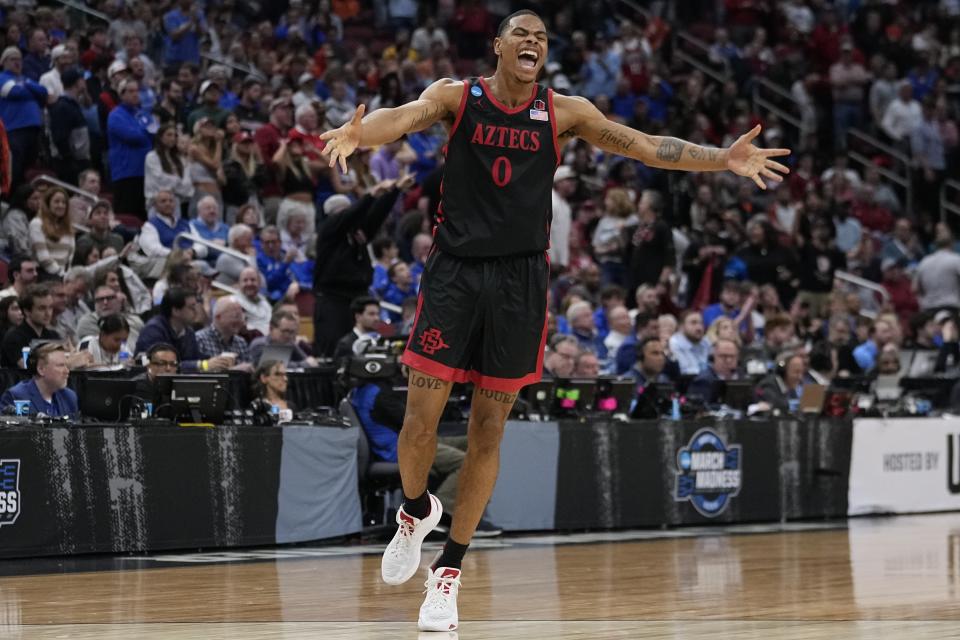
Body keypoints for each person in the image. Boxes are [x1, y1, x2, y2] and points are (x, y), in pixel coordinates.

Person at [318, 9, 790, 630]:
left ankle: (449, 573)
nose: (533, 42)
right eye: (522, 33)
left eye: (541, 37)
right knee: (418, 426)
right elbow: (400, 118)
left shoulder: (565, 111)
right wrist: (360, 136)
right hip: (455, 275)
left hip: (521, 283)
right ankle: (413, 513)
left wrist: (721, 159)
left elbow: (649, 148)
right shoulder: (457, 97)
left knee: (489, 431)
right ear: (498, 45)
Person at [134, 287, 231, 372]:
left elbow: (194, 357)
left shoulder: (188, 331)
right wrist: (203, 365)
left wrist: (217, 361)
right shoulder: (153, 330)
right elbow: (162, 365)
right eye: (191, 307)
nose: (197, 311)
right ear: (176, 310)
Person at [107, 78, 155, 219]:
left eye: (137, 91)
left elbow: (156, 133)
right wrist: (146, 132)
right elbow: (133, 136)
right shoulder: (115, 115)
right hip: (126, 173)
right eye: (131, 91)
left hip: (145, 173)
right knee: (127, 216)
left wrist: (145, 132)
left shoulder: (143, 113)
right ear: (121, 94)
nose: (135, 94)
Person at [0, 342, 77, 418]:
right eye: (60, 365)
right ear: (41, 369)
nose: (67, 371)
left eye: (66, 366)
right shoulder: (17, 397)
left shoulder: (69, 397)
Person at [0, 284, 62, 368]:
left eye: (50, 307)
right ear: (27, 311)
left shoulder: (54, 335)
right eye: (42, 308)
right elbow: (28, 367)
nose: (48, 313)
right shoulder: (14, 337)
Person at [30, 187, 76, 279]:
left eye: (64, 202)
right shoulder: (37, 224)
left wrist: (68, 276)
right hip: (43, 275)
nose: (61, 205)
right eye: (56, 202)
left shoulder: (69, 228)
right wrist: (62, 275)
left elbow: (69, 260)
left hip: (63, 276)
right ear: (48, 204)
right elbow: (44, 258)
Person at [915, 223, 960, 311]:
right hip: (951, 309)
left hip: (928, 310)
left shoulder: (924, 261)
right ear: (952, 243)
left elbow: (915, 288)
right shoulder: (956, 259)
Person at [248, 311, 319, 367]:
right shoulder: (260, 344)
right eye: (285, 331)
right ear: (271, 329)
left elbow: (309, 361)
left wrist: (307, 363)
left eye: (292, 332)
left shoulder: (289, 343)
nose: (288, 336)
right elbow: (274, 367)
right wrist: (304, 364)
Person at [195, 297, 252, 366]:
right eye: (235, 316)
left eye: (241, 317)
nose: (240, 321)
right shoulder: (199, 339)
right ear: (218, 317)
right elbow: (195, 371)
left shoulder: (241, 342)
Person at [687, 338, 741, 405]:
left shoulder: (744, 377)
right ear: (713, 357)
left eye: (732, 356)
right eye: (724, 356)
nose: (729, 360)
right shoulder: (703, 381)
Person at [669, 310, 710, 375]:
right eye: (693, 323)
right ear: (681, 327)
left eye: (701, 323)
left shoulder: (705, 341)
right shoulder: (675, 342)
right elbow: (687, 372)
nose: (699, 327)